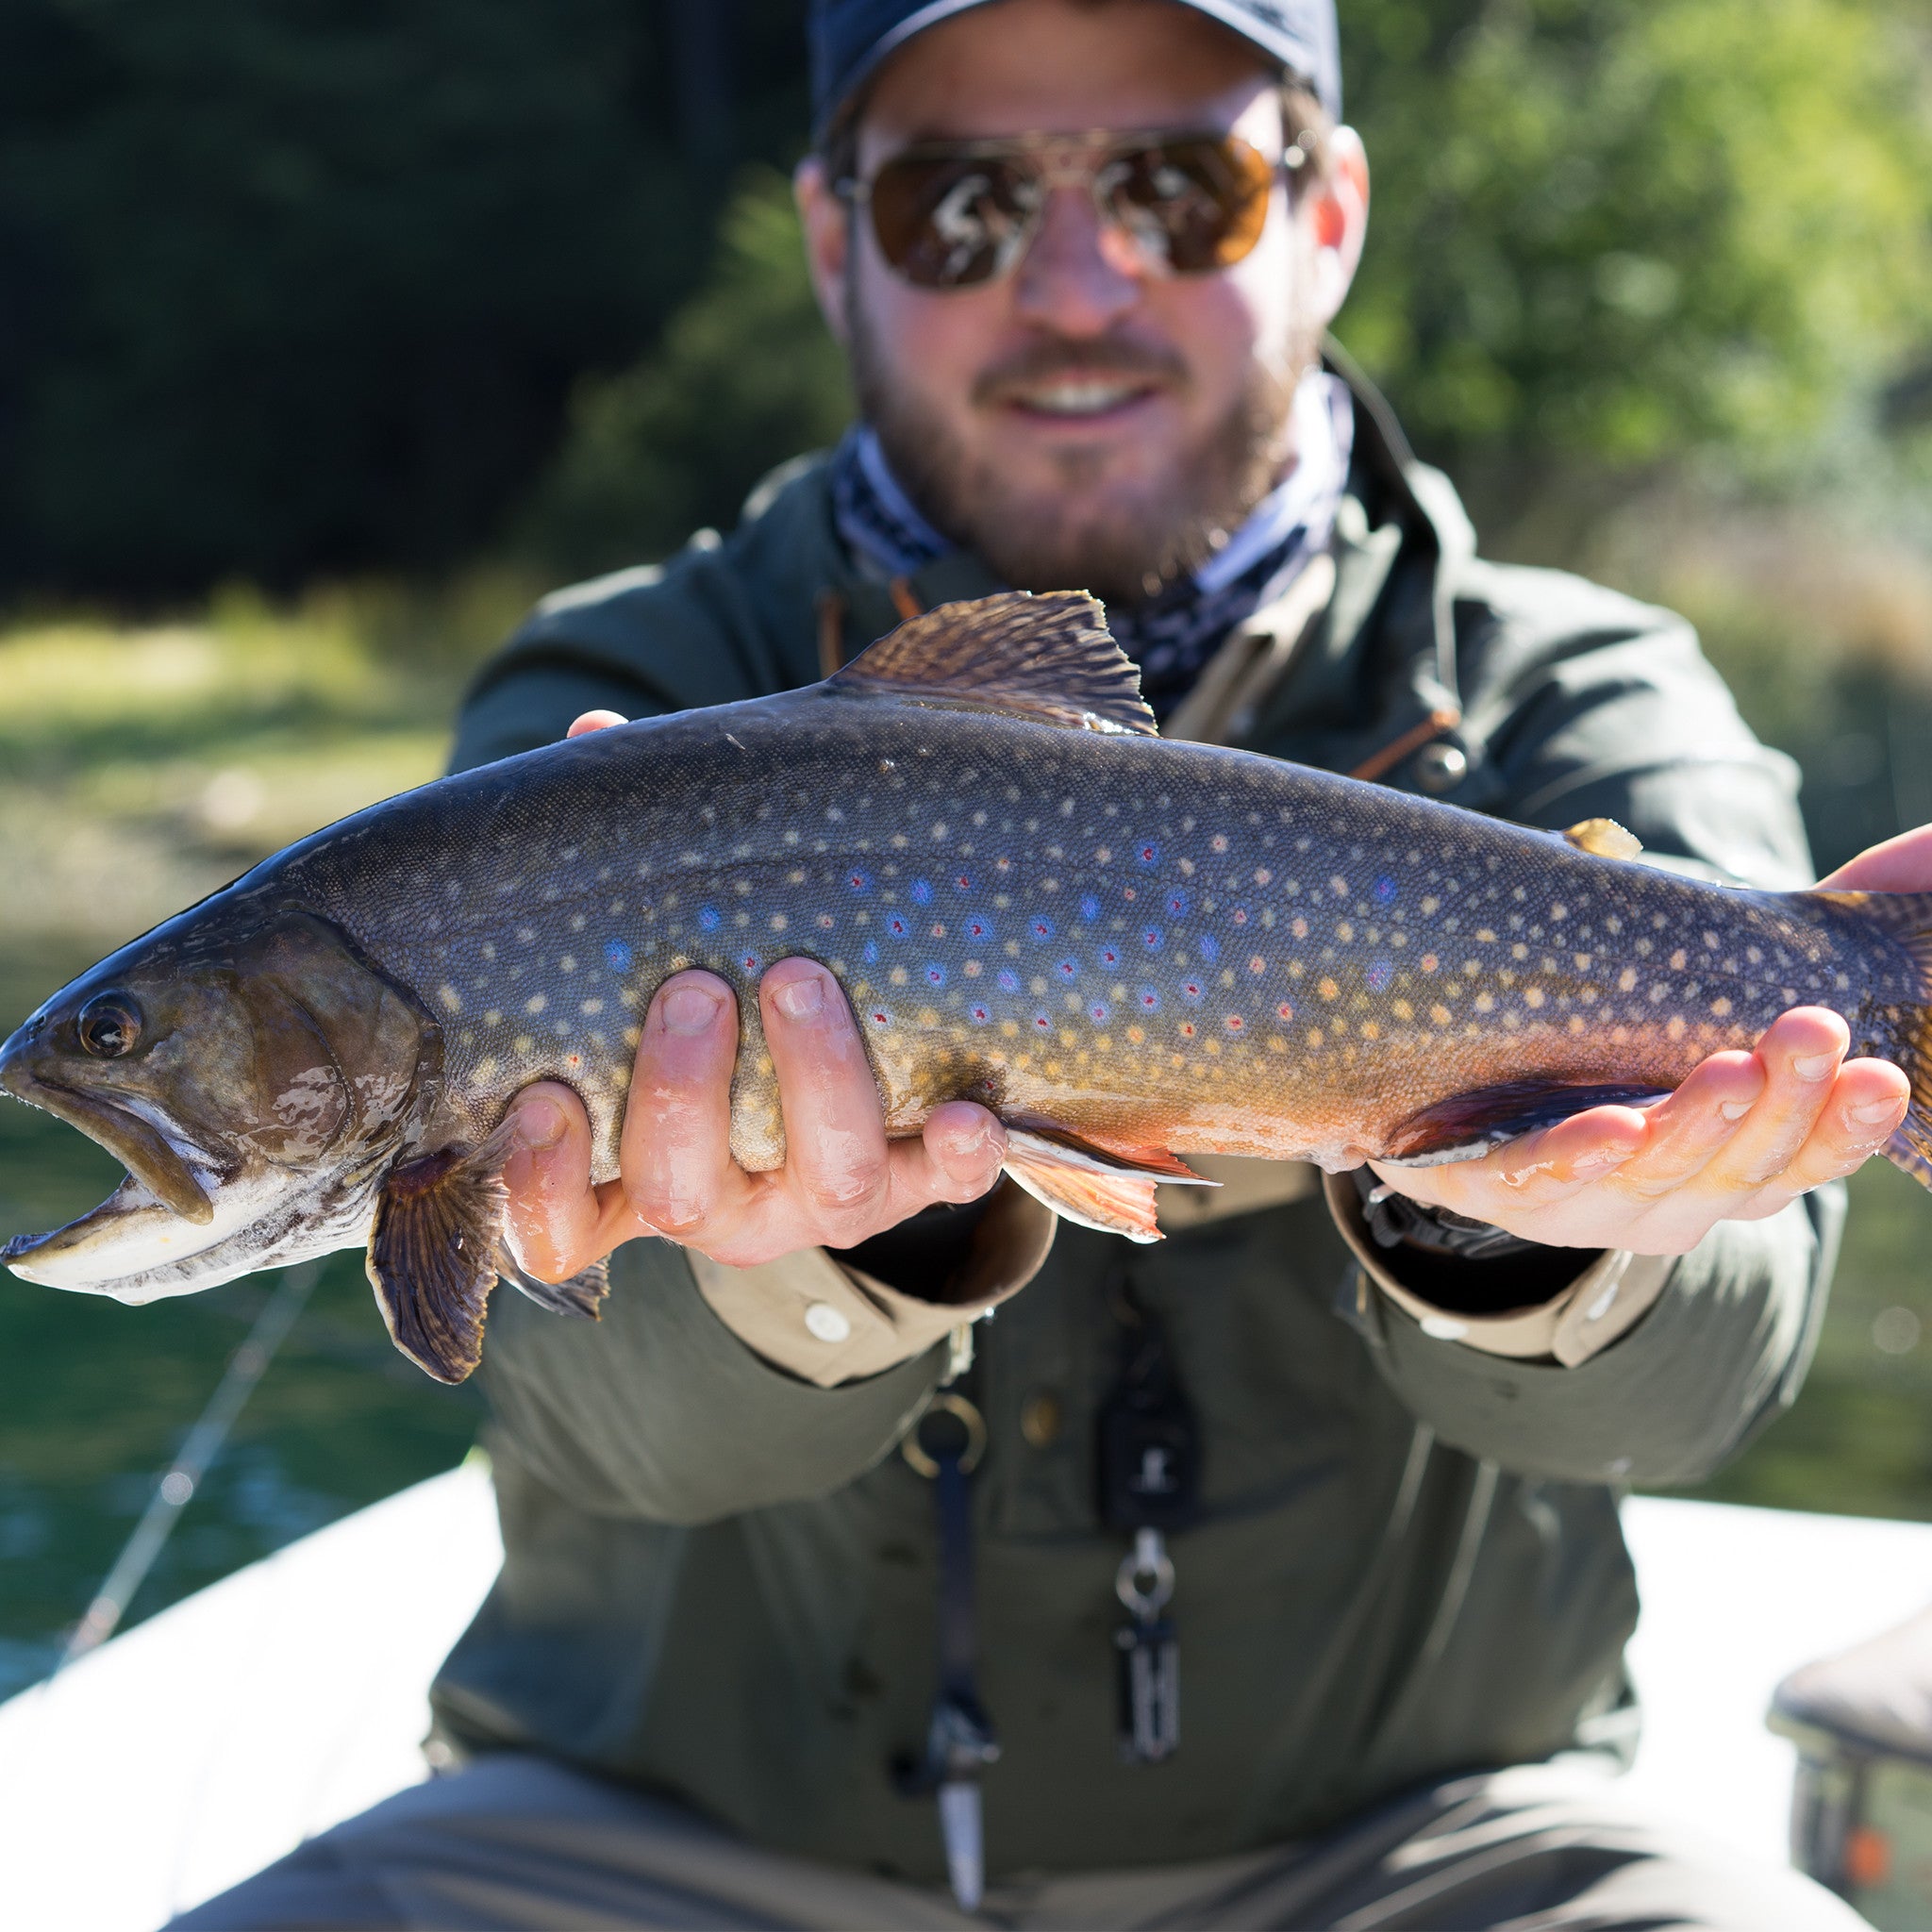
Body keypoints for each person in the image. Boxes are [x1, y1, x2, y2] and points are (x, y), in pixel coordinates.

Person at [179, 1, 1905, 1924]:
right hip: (653, 1841)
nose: (1076, 281)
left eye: (1179, 186)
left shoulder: (1570, 694)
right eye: (959, 204)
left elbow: (1707, 1375)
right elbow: (590, 1424)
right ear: (836, 241)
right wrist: (817, 1259)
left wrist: (1538, 1224)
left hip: (1416, 1847)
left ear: (1327, 210)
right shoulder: (619, 709)